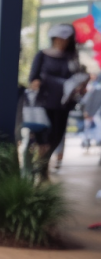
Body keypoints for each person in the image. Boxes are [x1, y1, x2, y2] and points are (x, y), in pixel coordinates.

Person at [28, 24, 88, 179]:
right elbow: (33, 77)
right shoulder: (42, 55)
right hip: (44, 100)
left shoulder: (71, 57)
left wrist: (81, 85)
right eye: (60, 39)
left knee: (57, 135)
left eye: (66, 39)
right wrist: (36, 83)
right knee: (45, 135)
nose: (63, 42)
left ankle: (43, 164)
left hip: (63, 102)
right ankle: (41, 167)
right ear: (54, 38)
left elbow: (77, 77)